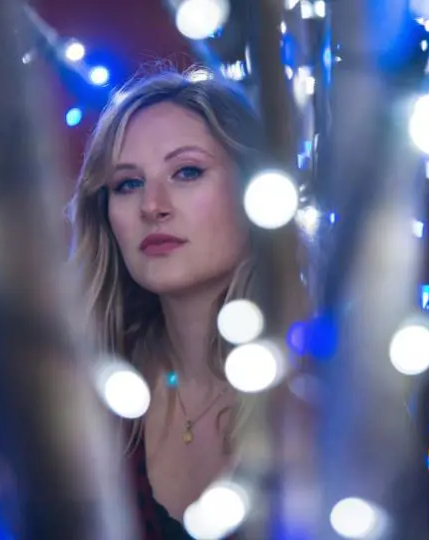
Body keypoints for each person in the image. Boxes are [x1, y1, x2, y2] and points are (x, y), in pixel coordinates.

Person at [69, 68, 309, 539]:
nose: (152, 206)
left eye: (187, 172)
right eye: (128, 184)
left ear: (254, 191)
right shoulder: (90, 395)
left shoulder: (320, 386)